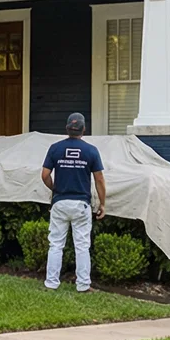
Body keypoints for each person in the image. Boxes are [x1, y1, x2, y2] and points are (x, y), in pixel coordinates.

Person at [40, 113, 106, 291]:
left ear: (67, 128)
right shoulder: (91, 151)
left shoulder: (55, 148)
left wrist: (55, 189)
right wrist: (102, 204)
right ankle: (83, 285)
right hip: (81, 204)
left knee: (56, 244)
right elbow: (99, 179)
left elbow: (45, 175)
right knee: (82, 246)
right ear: (84, 130)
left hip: (60, 203)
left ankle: (51, 283)